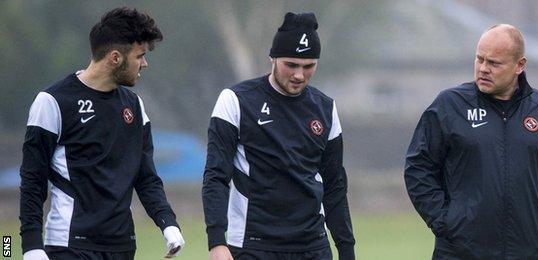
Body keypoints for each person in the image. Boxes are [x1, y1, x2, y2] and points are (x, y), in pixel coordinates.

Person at [404, 24, 538, 259]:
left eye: (493, 63)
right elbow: (418, 168)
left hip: (528, 253)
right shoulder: (449, 106)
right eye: (479, 59)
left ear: (519, 66)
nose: (483, 68)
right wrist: (445, 222)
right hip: (458, 253)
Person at [19, 7, 185, 260]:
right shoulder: (52, 101)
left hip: (122, 247)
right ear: (115, 57)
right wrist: (31, 246)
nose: (145, 63)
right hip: (70, 245)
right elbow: (33, 179)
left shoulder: (135, 106)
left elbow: (146, 176)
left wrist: (168, 223)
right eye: (140, 56)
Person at [202, 12, 355, 260]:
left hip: (313, 246)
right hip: (253, 245)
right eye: (291, 65)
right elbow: (216, 175)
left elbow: (335, 185)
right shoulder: (236, 100)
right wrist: (217, 242)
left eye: (308, 66)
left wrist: (346, 250)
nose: (299, 75)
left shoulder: (326, 108)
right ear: (272, 58)